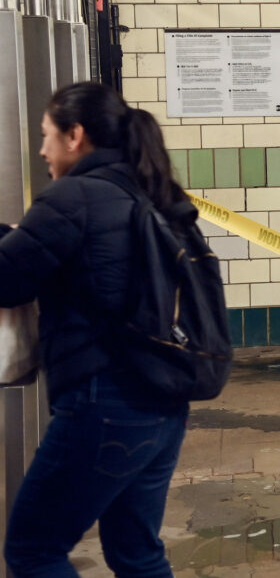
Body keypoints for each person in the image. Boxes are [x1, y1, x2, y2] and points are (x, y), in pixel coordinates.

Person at [0, 82, 195, 577]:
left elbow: (7, 279)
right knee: (137, 553)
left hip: (105, 405)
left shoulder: (72, 198)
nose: (41, 149)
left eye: (46, 135)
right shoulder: (146, 188)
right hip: (162, 403)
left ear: (75, 135)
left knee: (32, 550)